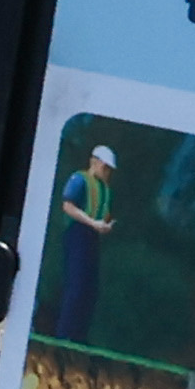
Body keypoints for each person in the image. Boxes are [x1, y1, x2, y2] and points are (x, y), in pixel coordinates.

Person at [49, 136, 115, 342]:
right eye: (105, 167)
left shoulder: (105, 190)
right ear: (95, 163)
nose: (106, 172)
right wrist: (92, 223)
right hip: (77, 233)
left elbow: (102, 212)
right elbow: (68, 206)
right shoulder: (80, 179)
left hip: (93, 237)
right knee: (75, 286)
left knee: (88, 288)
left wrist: (104, 225)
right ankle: (64, 334)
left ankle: (78, 335)